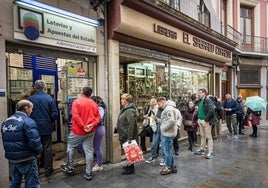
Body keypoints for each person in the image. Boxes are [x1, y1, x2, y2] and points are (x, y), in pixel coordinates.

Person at [60, 86, 101, 181]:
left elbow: (75, 117)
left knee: (70, 146)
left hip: (78, 131)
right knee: (89, 150)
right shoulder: (94, 104)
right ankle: (88, 173)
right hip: (90, 131)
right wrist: (91, 125)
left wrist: (83, 126)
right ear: (90, 94)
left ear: (82, 92)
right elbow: (98, 118)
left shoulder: (77, 102)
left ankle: (70, 166)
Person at [1, 100, 43, 187]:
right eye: (31, 108)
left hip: (13, 159)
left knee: (15, 181)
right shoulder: (28, 122)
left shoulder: (6, 122)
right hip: (27, 158)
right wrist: (39, 152)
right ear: (26, 108)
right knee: (32, 183)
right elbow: (34, 141)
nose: (32, 111)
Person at [28, 80, 58, 176]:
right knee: (47, 148)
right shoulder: (49, 99)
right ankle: (48, 169)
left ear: (35, 88)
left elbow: (26, 114)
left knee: (34, 149)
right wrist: (49, 120)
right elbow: (54, 114)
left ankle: (35, 170)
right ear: (44, 88)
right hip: (46, 127)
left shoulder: (29, 99)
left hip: (33, 128)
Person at [117, 93, 138, 175]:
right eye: (121, 99)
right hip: (124, 134)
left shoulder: (129, 110)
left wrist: (129, 137)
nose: (121, 101)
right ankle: (130, 165)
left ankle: (131, 168)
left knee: (130, 151)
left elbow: (131, 125)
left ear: (127, 101)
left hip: (127, 135)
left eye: (123, 99)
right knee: (128, 152)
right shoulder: (125, 109)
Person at [194, 89, 218, 159]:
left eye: (200, 93)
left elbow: (211, 110)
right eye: (198, 93)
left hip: (205, 121)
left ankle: (210, 152)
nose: (199, 94)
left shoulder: (208, 100)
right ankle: (202, 149)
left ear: (204, 93)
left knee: (208, 137)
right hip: (200, 120)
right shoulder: (200, 101)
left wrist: (206, 119)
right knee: (202, 136)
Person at [158, 97, 178, 175]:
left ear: (162, 102)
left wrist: (164, 128)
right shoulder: (169, 108)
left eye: (159, 103)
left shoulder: (168, 108)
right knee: (168, 150)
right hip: (168, 132)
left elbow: (171, 120)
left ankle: (168, 167)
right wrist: (156, 119)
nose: (158, 105)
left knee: (166, 151)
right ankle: (172, 166)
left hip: (167, 133)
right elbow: (165, 121)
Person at [145, 97, 165, 166]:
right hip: (156, 127)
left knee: (163, 144)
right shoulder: (156, 108)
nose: (159, 104)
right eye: (158, 102)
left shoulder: (165, 109)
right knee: (154, 143)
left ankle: (163, 158)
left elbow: (165, 120)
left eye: (160, 102)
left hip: (162, 128)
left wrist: (155, 118)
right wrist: (153, 118)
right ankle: (152, 157)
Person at [91, 96, 106, 171]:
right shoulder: (97, 108)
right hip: (95, 128)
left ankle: (99, 164)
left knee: (97, 146)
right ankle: (90, 158)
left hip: (99, 128)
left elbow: (98, 118)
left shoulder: (100, 108)